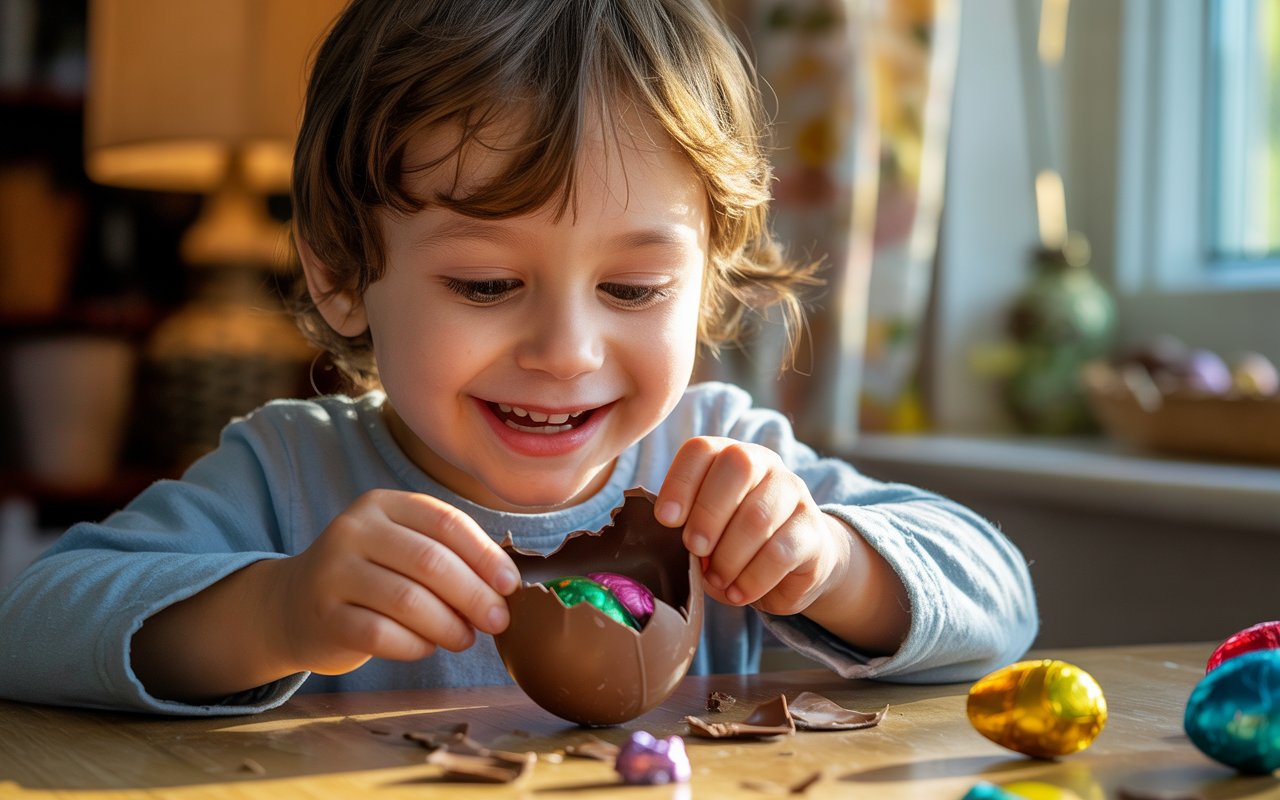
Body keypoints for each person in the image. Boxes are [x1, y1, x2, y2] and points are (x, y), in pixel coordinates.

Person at [0, 0, 1037, 714]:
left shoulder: (719, 459)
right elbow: (27, 625)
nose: (564, 351)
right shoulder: (288, 479)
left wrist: (831, 562)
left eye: (632, 289)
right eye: (486, 285)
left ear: (707, 281)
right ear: (342, 274)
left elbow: (1002, 599)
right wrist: (274, 609)